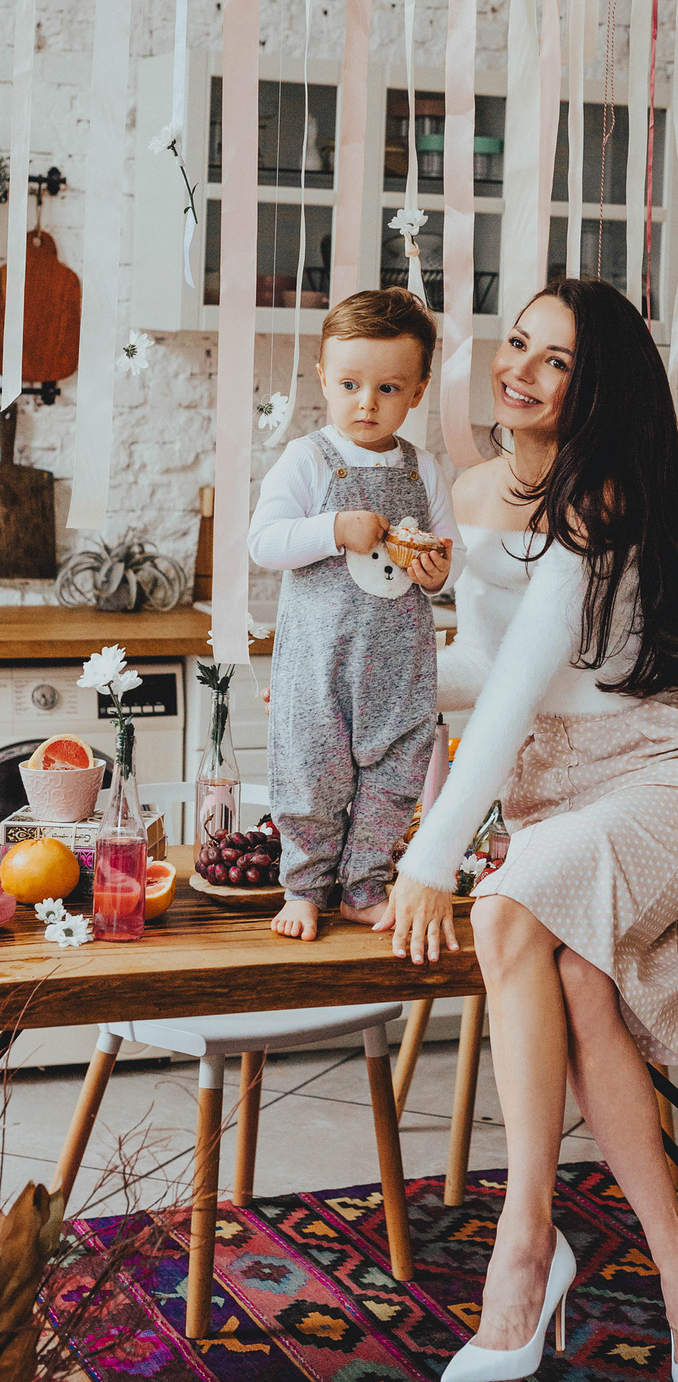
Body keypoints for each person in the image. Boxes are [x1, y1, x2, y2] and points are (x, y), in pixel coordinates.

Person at [379, 279, 678, 1382]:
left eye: (556, 363)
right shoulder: (474, 487)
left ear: (597, 394)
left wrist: (430, 859)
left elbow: (517, 693)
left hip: (665, 778)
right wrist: (345, 670)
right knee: (578, 971)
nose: (520, 371)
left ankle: (524, 1250)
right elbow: (487, 672)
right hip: (555, 797)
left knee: (502, 908)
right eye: (519, 344)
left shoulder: (600, 500)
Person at [249, 287, 465, 942]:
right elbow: (264, 542)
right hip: (320, 666)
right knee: (312, 774)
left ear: (418, 389)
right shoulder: (309, 460)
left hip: (399, 666)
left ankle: (366, 884)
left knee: (396, 778)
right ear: (323, 377)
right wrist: (335, 527)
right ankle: (305, 887)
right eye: (349, 383)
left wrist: (437, 574)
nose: (366, 403)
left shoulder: (423, 469)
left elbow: (447, 559)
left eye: (388, 388)